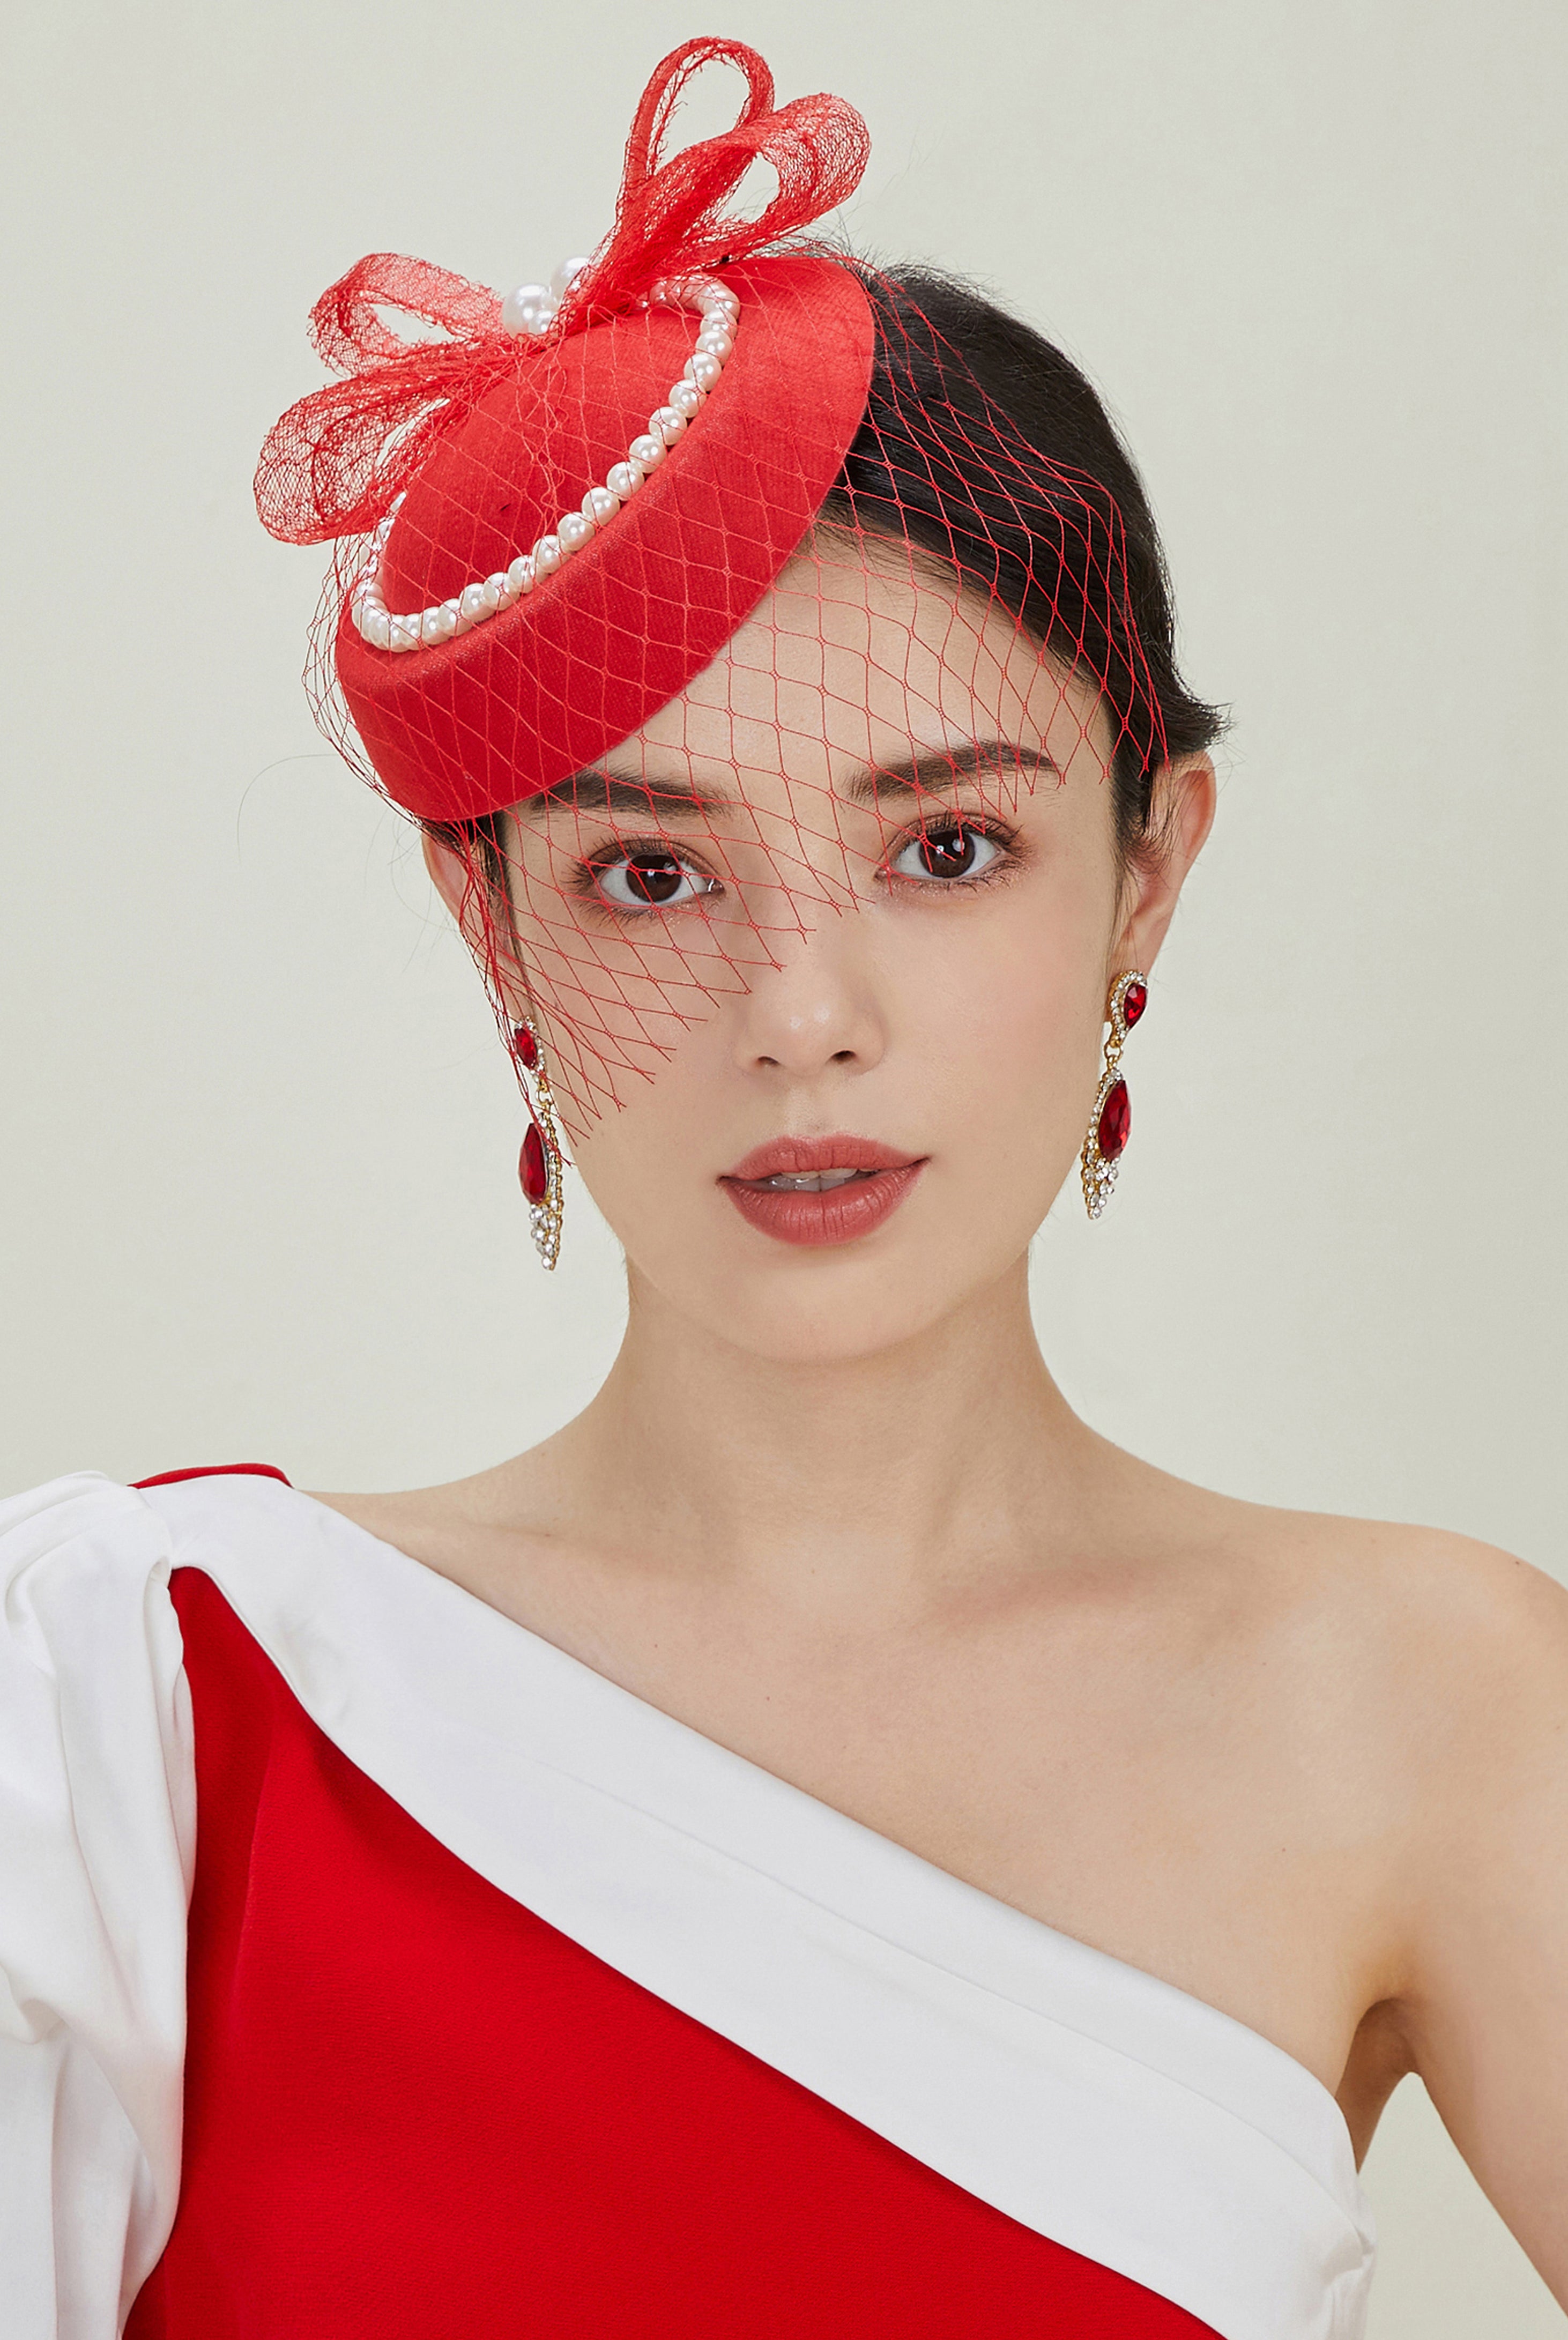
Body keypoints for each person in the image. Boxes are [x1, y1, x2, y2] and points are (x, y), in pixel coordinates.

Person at [3, 35, 1564, 2340]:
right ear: (489, 924)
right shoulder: (154, 1689)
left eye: (950, 847)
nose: (802, 1013)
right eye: (651, 872)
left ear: (1147, 871)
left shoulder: (1427, 1707)